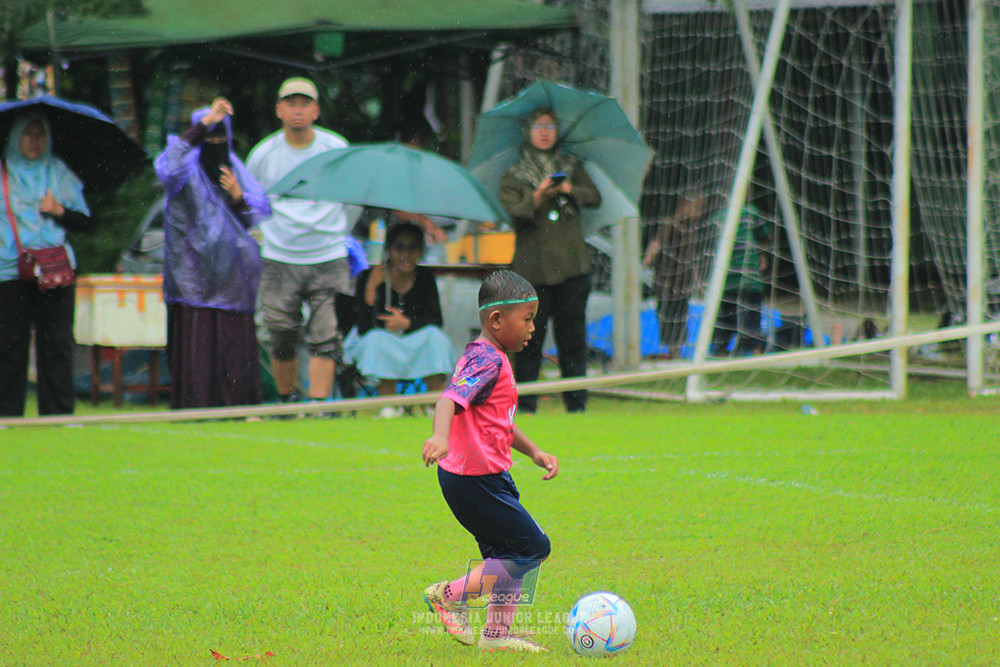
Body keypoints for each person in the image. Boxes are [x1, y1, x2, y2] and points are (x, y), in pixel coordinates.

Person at [421, 270, 558, 653]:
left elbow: (501, 423)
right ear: (497, 320)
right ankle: (447, 596)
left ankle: (495, 637)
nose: (533, 327)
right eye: (527, 318)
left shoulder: (492, 358)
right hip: (472, 480)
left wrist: (534, 452)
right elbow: (449, 399)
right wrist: (440, 436)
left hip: (487, 477)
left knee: (507, 556)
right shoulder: (485, 360)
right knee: (533, 548)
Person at [155, 97, 271, 409]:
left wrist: (237, 197)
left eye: (221, 135)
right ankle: (196, 404)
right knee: (198, 344)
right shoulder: (183, 169)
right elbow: (166, 166)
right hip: (191, 277)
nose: (215, 142)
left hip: (233, 279)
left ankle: (237, 404)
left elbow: (257, 215)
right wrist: (204, 123)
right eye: (210, 136)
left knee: (233, 346)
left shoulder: (235, 169)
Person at [247, 77, 352, 407]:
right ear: (279, 109)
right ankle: (287, 401)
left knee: (326, 335)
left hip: (328, 255)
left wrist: (335, 232)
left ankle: (319, 407)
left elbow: (353, 199)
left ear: (316, 110)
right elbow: (252, 204)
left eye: (304, 103)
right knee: (280, 334)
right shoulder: (263, 154)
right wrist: (270, 240)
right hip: (279, 257)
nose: (297, 110)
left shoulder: (336, 149)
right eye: (291, 103)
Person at [499, 108, 601, 414]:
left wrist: (569, 188)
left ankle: (576, 405)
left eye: (551, 125)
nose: (545, 132)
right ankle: (526, 407)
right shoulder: (515, 174)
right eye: (538, 126)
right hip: (532, 272)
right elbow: (515, 212)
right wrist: (539, 195)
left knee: (573, 339)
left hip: (572, 268)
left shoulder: (572, 167)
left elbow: (594, 197)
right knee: (528, 341)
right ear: (528, 131)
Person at [0, 114, 90, 417]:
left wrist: (57, 210)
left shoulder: (58, 172)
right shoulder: (3, 173)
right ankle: (6, 413)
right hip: (8, 269)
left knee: (58, 343)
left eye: (40, 134)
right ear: (15, 139)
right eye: (28, 135)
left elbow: (85, 221)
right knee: (10, 345)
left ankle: (59, 412)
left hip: (54, 269)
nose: (35, 141)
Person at [345, 222, 454, 418]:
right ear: (388, 250)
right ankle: (389, 406)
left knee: (435, 338)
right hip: (379, 338)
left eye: (413, 248)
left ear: (420, 251)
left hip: (415, 339)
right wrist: (371, 289)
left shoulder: (425, 277)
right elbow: (364, 328)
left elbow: (435, 319)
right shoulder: (369, 276)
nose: (406, 254)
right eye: (399, 247)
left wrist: (407, 324)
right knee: (378, 339)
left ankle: (434, 405)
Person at [642, 192, 707, 356]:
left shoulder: (691, 230)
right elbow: (656, 242)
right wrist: (649, 256)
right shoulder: (671, 224)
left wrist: (697, 280)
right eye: (697, 208)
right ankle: (671, 349)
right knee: (667, 314)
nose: (699, 213)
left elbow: (691, 259)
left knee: (678, 315)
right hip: (667, 280)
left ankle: (674, 350)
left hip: (681, 282)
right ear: (685, 206)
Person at [710, 202, 772, 356]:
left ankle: (721, 349)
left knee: (724, 319)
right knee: (751, 316)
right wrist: (761, 252)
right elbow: (766, 236)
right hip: (748, 278)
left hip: (725, 279)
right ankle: (757, 350)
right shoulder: (750, 212)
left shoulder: (717, 217)